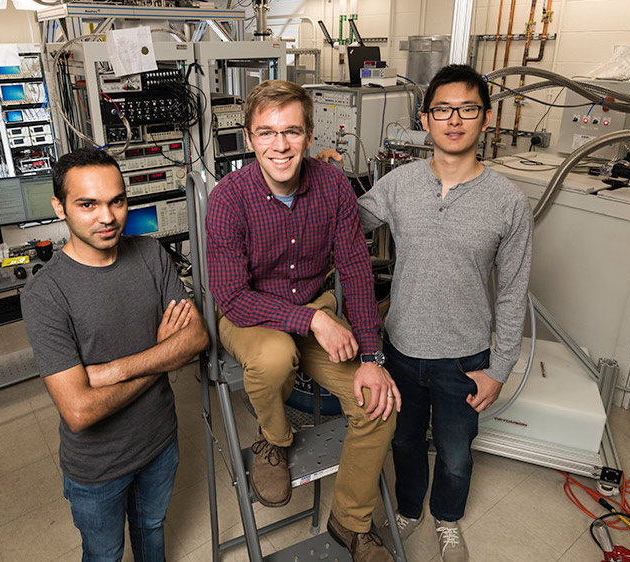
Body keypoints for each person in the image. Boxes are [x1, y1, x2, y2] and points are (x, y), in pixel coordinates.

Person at [205, 80, 399, 562]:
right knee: (274, 357)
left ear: (309, 135)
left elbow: (354, 267)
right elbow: (230, 295)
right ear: (250, 138)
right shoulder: (229, 198)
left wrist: (373, 357)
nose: (280, 145)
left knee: (380, 404)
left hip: (316, 310)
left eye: (291, 131)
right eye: (267, 133)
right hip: (249, 315)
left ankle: (349, 521)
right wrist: (311, 320)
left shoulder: (332, 185)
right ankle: (273, 440)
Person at [355, 65, 533, 562]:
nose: (454, 120)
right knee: (405, 442)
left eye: (467, 110)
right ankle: (410, 508)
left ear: (486, 119)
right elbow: (346, 226)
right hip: (401, 350)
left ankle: (447, 519)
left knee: (455, 456)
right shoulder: (399, 184)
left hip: (465, 360)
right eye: (442, 110)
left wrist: (498, 369)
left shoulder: (508, 203)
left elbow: (514, 290)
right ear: (425, 118)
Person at [21, 148, 208, 562]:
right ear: (59, 207)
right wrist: (163, 356)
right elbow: (80, 411)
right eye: (87, 204)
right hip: (97, 466)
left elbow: (195, 338)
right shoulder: (45, 295)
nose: (107, 217)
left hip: (160, 442)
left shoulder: (150, 254)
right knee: (105, 554)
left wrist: (108, 372)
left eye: (116, 201)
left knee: (153, 530)